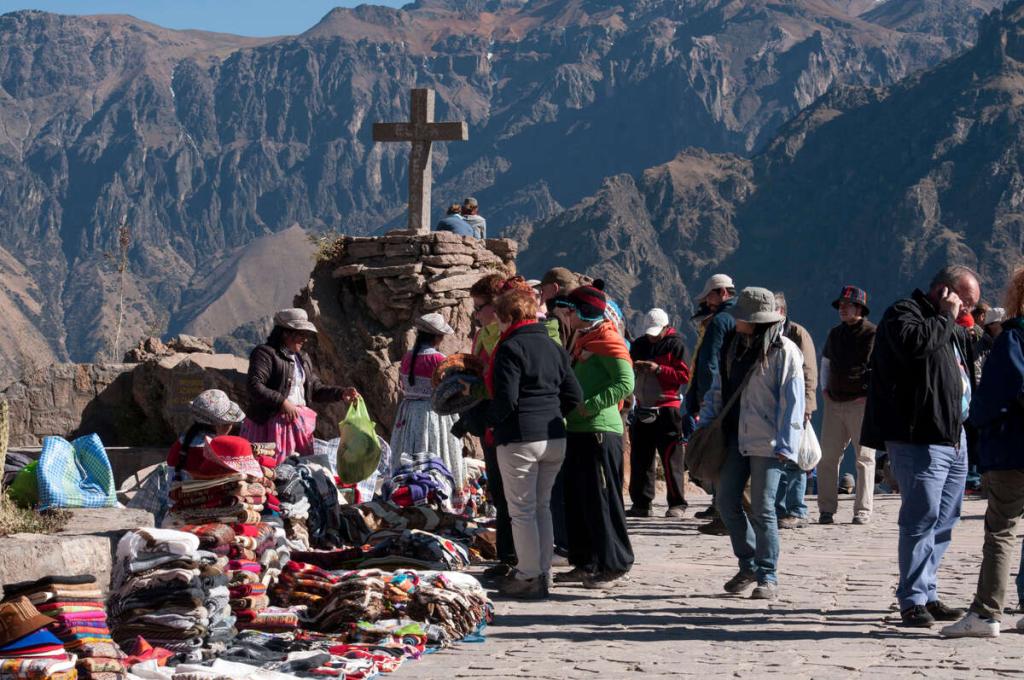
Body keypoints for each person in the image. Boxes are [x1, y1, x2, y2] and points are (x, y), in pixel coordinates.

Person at [861, 265, 981, 628]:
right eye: (966, 302)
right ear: (946, 292)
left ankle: (927, 590)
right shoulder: (904, 314)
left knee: (945, 518)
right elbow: (916, 346)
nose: (969, 312)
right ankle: (911, 600)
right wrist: (947, 316)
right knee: (920, 517)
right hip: (919, 436)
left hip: (953, 435)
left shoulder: (950, 325)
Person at [462, 289, 583, 598]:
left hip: (519, 439)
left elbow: (506, 401)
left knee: (522, 511)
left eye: (501, 318)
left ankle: (529, 575)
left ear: (508, 317)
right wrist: (551, 414)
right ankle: (543, 572)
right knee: (542, 507)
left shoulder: (510, 347)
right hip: (554, 436)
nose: (499, 324)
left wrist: (480, 421)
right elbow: (574, 395)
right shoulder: (553, 347)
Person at [698, 287, 805, 601]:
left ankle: (767, 575)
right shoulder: (732, 346)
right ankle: (748, 563)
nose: (737, 321)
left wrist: (787, 444)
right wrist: (707, 422)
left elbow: (792, 401)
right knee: (727, 503)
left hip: (768, 442)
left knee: (763, 509)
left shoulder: (784, 351)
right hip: (734, 437)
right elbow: (718, 388)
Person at [940, 268, 1024, 638]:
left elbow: (995, 395)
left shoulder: (1014, 339)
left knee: (1002, 530)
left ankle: (987, 611)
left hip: (1013, 447)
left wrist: (979, 419)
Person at [554, 286, 635, 588]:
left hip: (599, 430)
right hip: (579, 430)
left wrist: (590, 407)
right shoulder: (585, 340)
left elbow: (625, 382)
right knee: (579, 499)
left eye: (572, 310)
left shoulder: (607, 340)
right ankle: (587, 561)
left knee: (602, 499)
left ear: (584, 312)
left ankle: (615, 562)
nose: (567, 315)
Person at [242, 308, 358, 458]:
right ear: (285, 333)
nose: (305, 339)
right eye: (301, 334)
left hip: (296, 427)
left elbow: (314, 389)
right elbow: (254, 385)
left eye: (306, 334)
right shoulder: (265, 354)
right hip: (268, 426)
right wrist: (282, 402)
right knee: (270, 470)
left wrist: (341, 393)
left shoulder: (302, 358)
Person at [390, 313, 468, 513]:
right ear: (437, 337)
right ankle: (439, 494)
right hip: (434, 414)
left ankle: (410, 494)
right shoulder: (439, 360)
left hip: (409, 413)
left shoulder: (408, 358)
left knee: (411, 452)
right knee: (437, 452)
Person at [468, 273, 516, 576]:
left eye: (479, 307)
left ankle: (517, 556)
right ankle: (507, 554)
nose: (476, 314)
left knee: (513, 493)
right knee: (498, 490)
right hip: (487, 420)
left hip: (506, 420)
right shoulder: (482, 335)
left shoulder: (505, 337)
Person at [817, 286, 877, 525]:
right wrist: (824, 390)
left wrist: (869, 395)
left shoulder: (873, 334)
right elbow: (826, 363)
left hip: (860, 403)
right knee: (828, 457)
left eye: (847, 304)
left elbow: (880, 368)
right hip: (834, 401)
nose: (842, 308)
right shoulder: (835, 334)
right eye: (840, 305)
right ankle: (826, 509)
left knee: (864, 458)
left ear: (859, 308)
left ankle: (862, 509)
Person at [684, 273, 736, 535]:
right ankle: (721, 505)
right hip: (734, 396)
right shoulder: (739, 318)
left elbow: (708, 364)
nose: (707, 301)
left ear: (722, 292)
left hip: (716, 396)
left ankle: (724, 509)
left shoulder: (719, 322)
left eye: (710, 295)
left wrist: (705, 397)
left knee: (717, 451)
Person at [626, 308, 691, 518]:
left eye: (656, 333)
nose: (652, 338)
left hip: (668, 407)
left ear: (665, 328)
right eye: (649, 333)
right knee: (641, 458)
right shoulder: (639, 345)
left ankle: (677, 504)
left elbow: (684, 376)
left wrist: (659, 370)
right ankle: (641, 503)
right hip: (643, 406)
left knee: (671, 457)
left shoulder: (676, 345)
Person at [773, 293, 817, 529]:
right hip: (774, 406)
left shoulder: (797, 333)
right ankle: (778, 509)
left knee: (796, 460)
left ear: (780, 312)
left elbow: (809, 370)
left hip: (796, 404)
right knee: (777, 457)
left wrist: (807, 406)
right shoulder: (768, 332)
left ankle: (797, 509)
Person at [539, 267, 579, 347]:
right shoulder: (578, 310)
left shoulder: (556, 315)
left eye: (543, 289)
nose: (541, 293)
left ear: (555, 288)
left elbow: (553, 351)